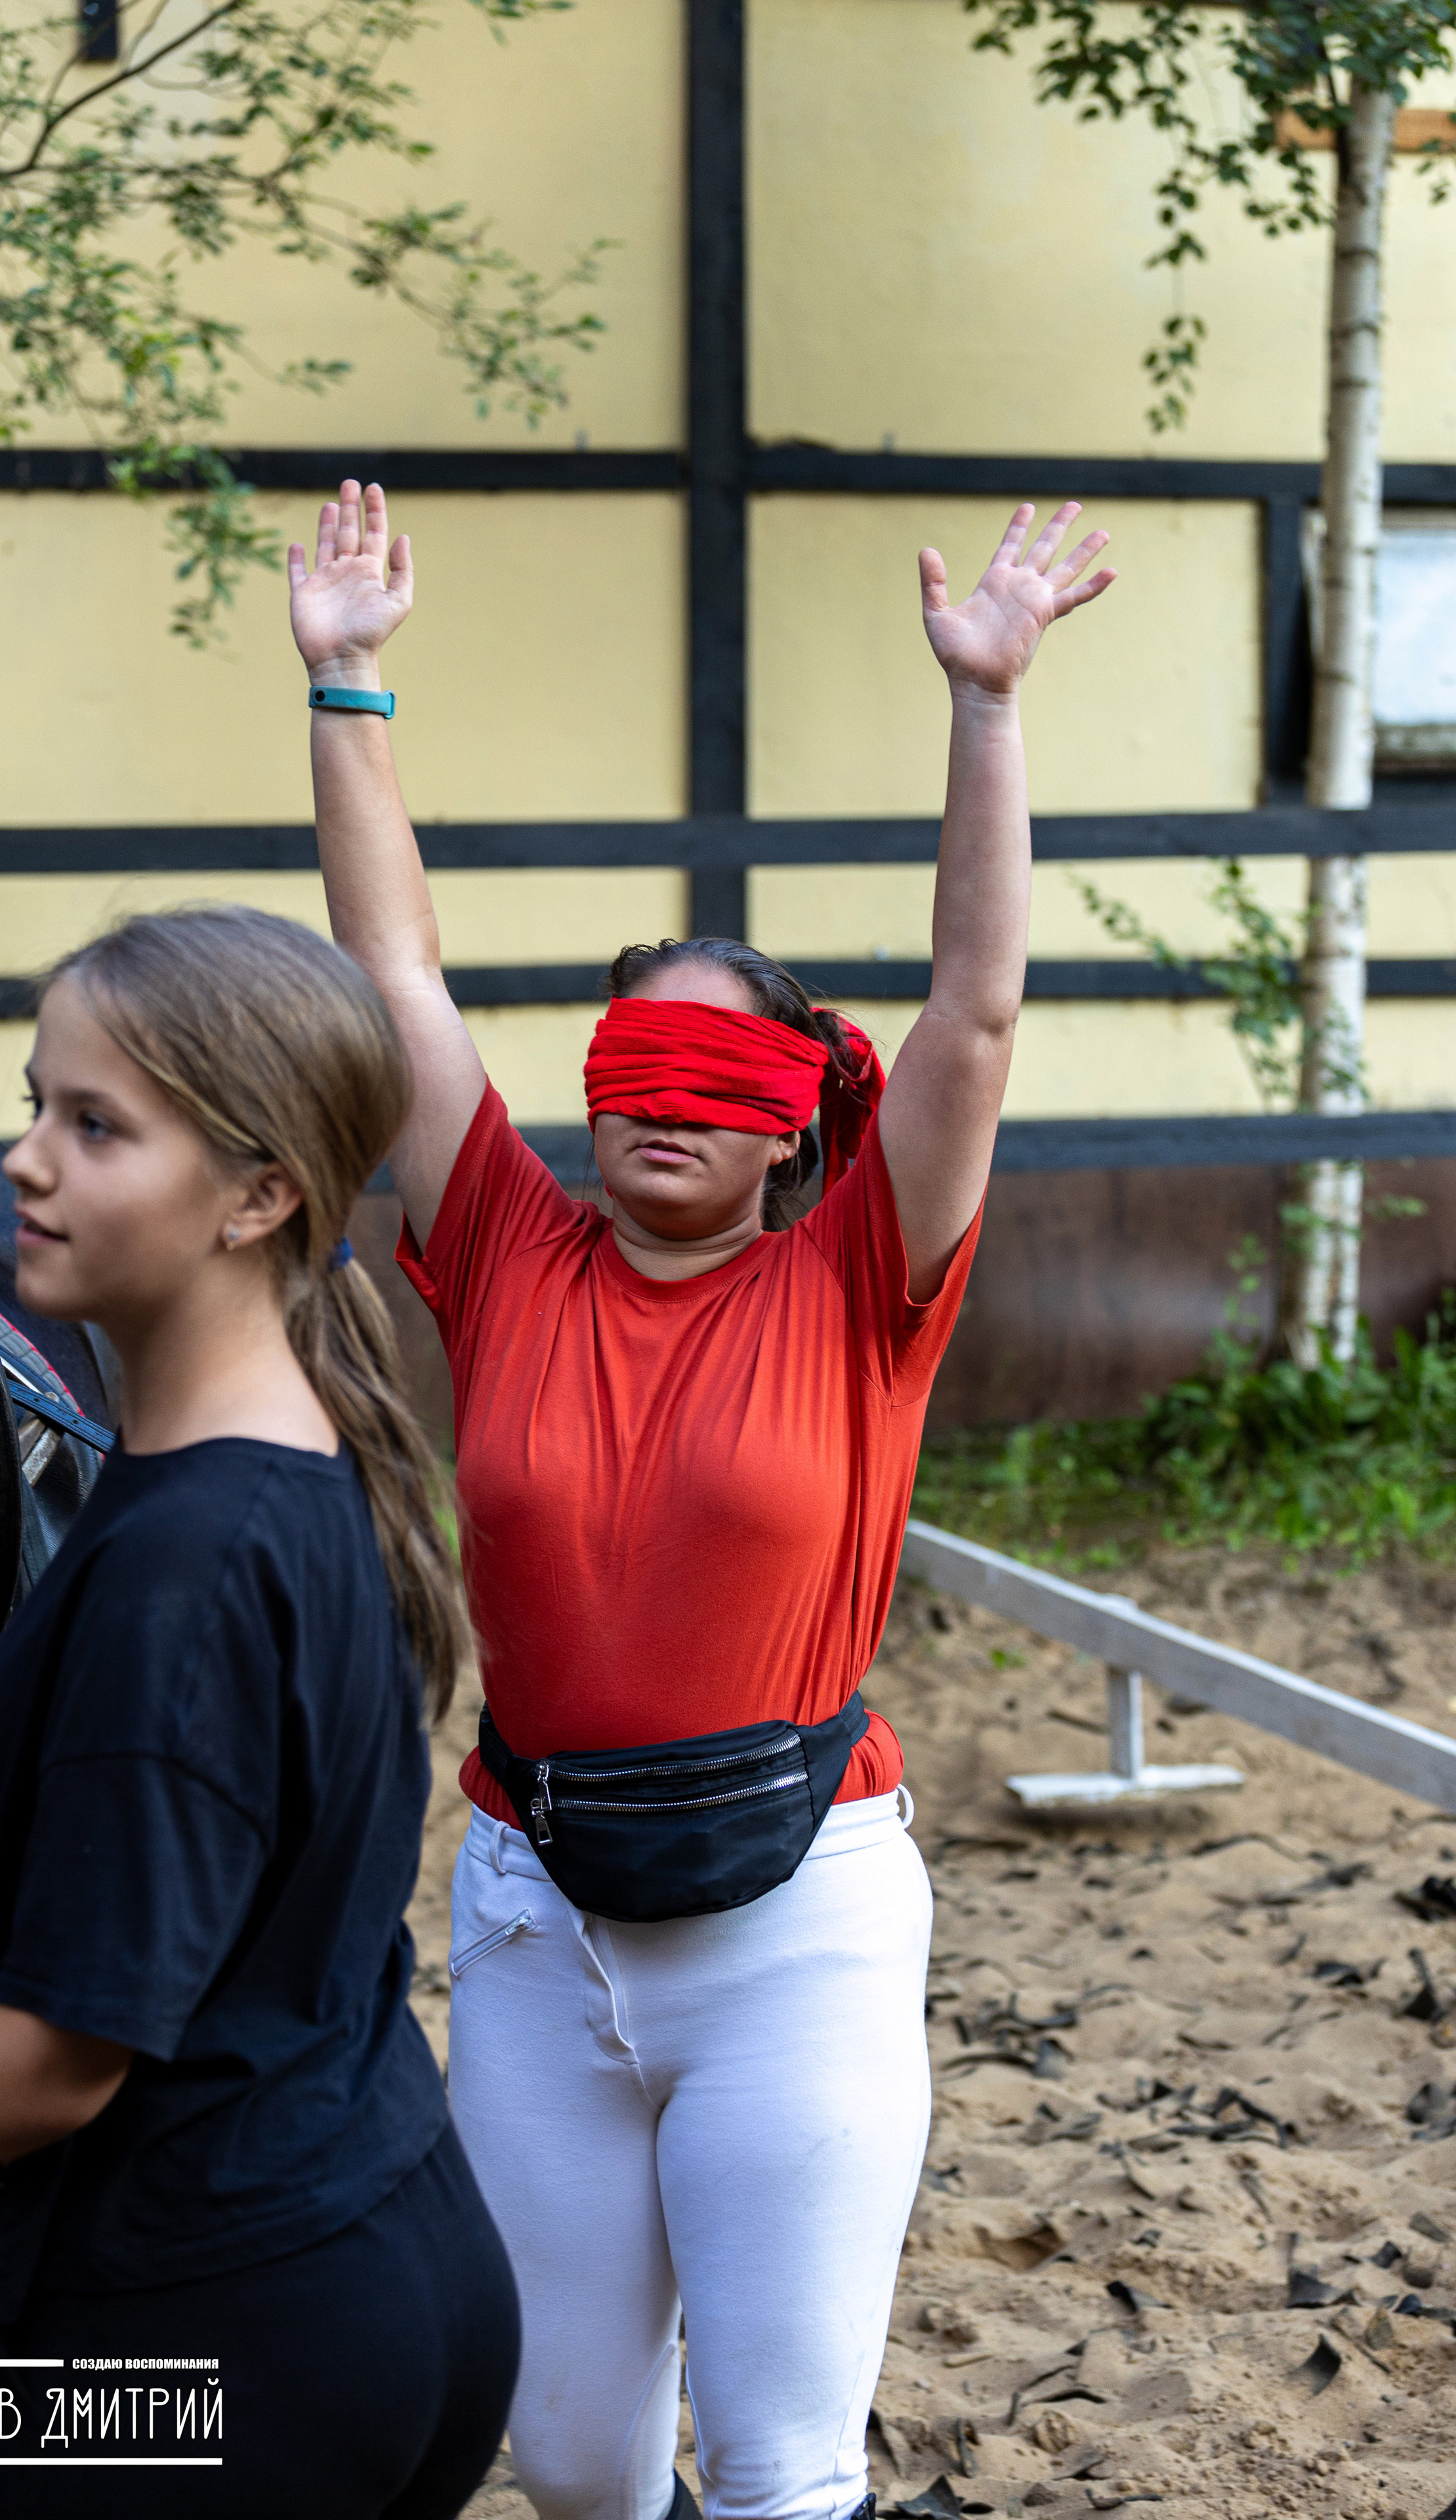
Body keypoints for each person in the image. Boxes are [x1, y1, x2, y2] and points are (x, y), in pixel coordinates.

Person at [288, 482, 1115, 2520]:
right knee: (569, 2457)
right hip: (532, 1904)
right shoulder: (499, 1241)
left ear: (789, 1128)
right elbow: (391, 973)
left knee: (776, 2464)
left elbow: (978, 1019)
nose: (662, 1100)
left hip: (798, 1918)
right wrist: (348, 684)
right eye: (631, 1061)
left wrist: (988, 711)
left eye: (717, 1077)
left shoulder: (865, 1278)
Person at [0, 907, 519, 2519]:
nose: (23, 1162)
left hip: (193, 2355)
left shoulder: (183, 1572)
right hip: (364, 2247)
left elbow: (48, 2066)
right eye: (37, 1105)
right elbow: (71, 1752)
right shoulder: (269, 1456)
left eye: (93, 1126)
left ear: (261, 1194)